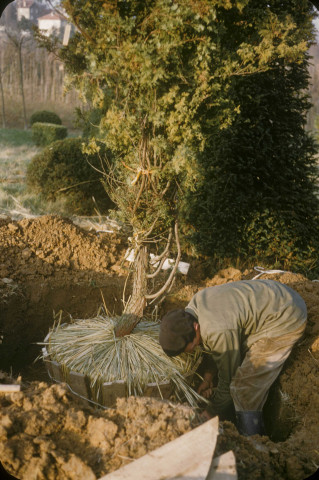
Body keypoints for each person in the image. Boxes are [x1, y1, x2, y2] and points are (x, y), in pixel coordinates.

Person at [159, 279, 307, 436]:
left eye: (191, 347)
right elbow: (213, 345)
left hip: (287, 316)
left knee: (244, 388)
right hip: (276, 297)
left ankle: (253, 442)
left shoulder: (218, 330)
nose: (191, 351)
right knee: (238, 358)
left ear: (196, 328)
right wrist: (208, 378)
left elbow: (228, 382)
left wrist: (208, 414)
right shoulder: (193, 308)